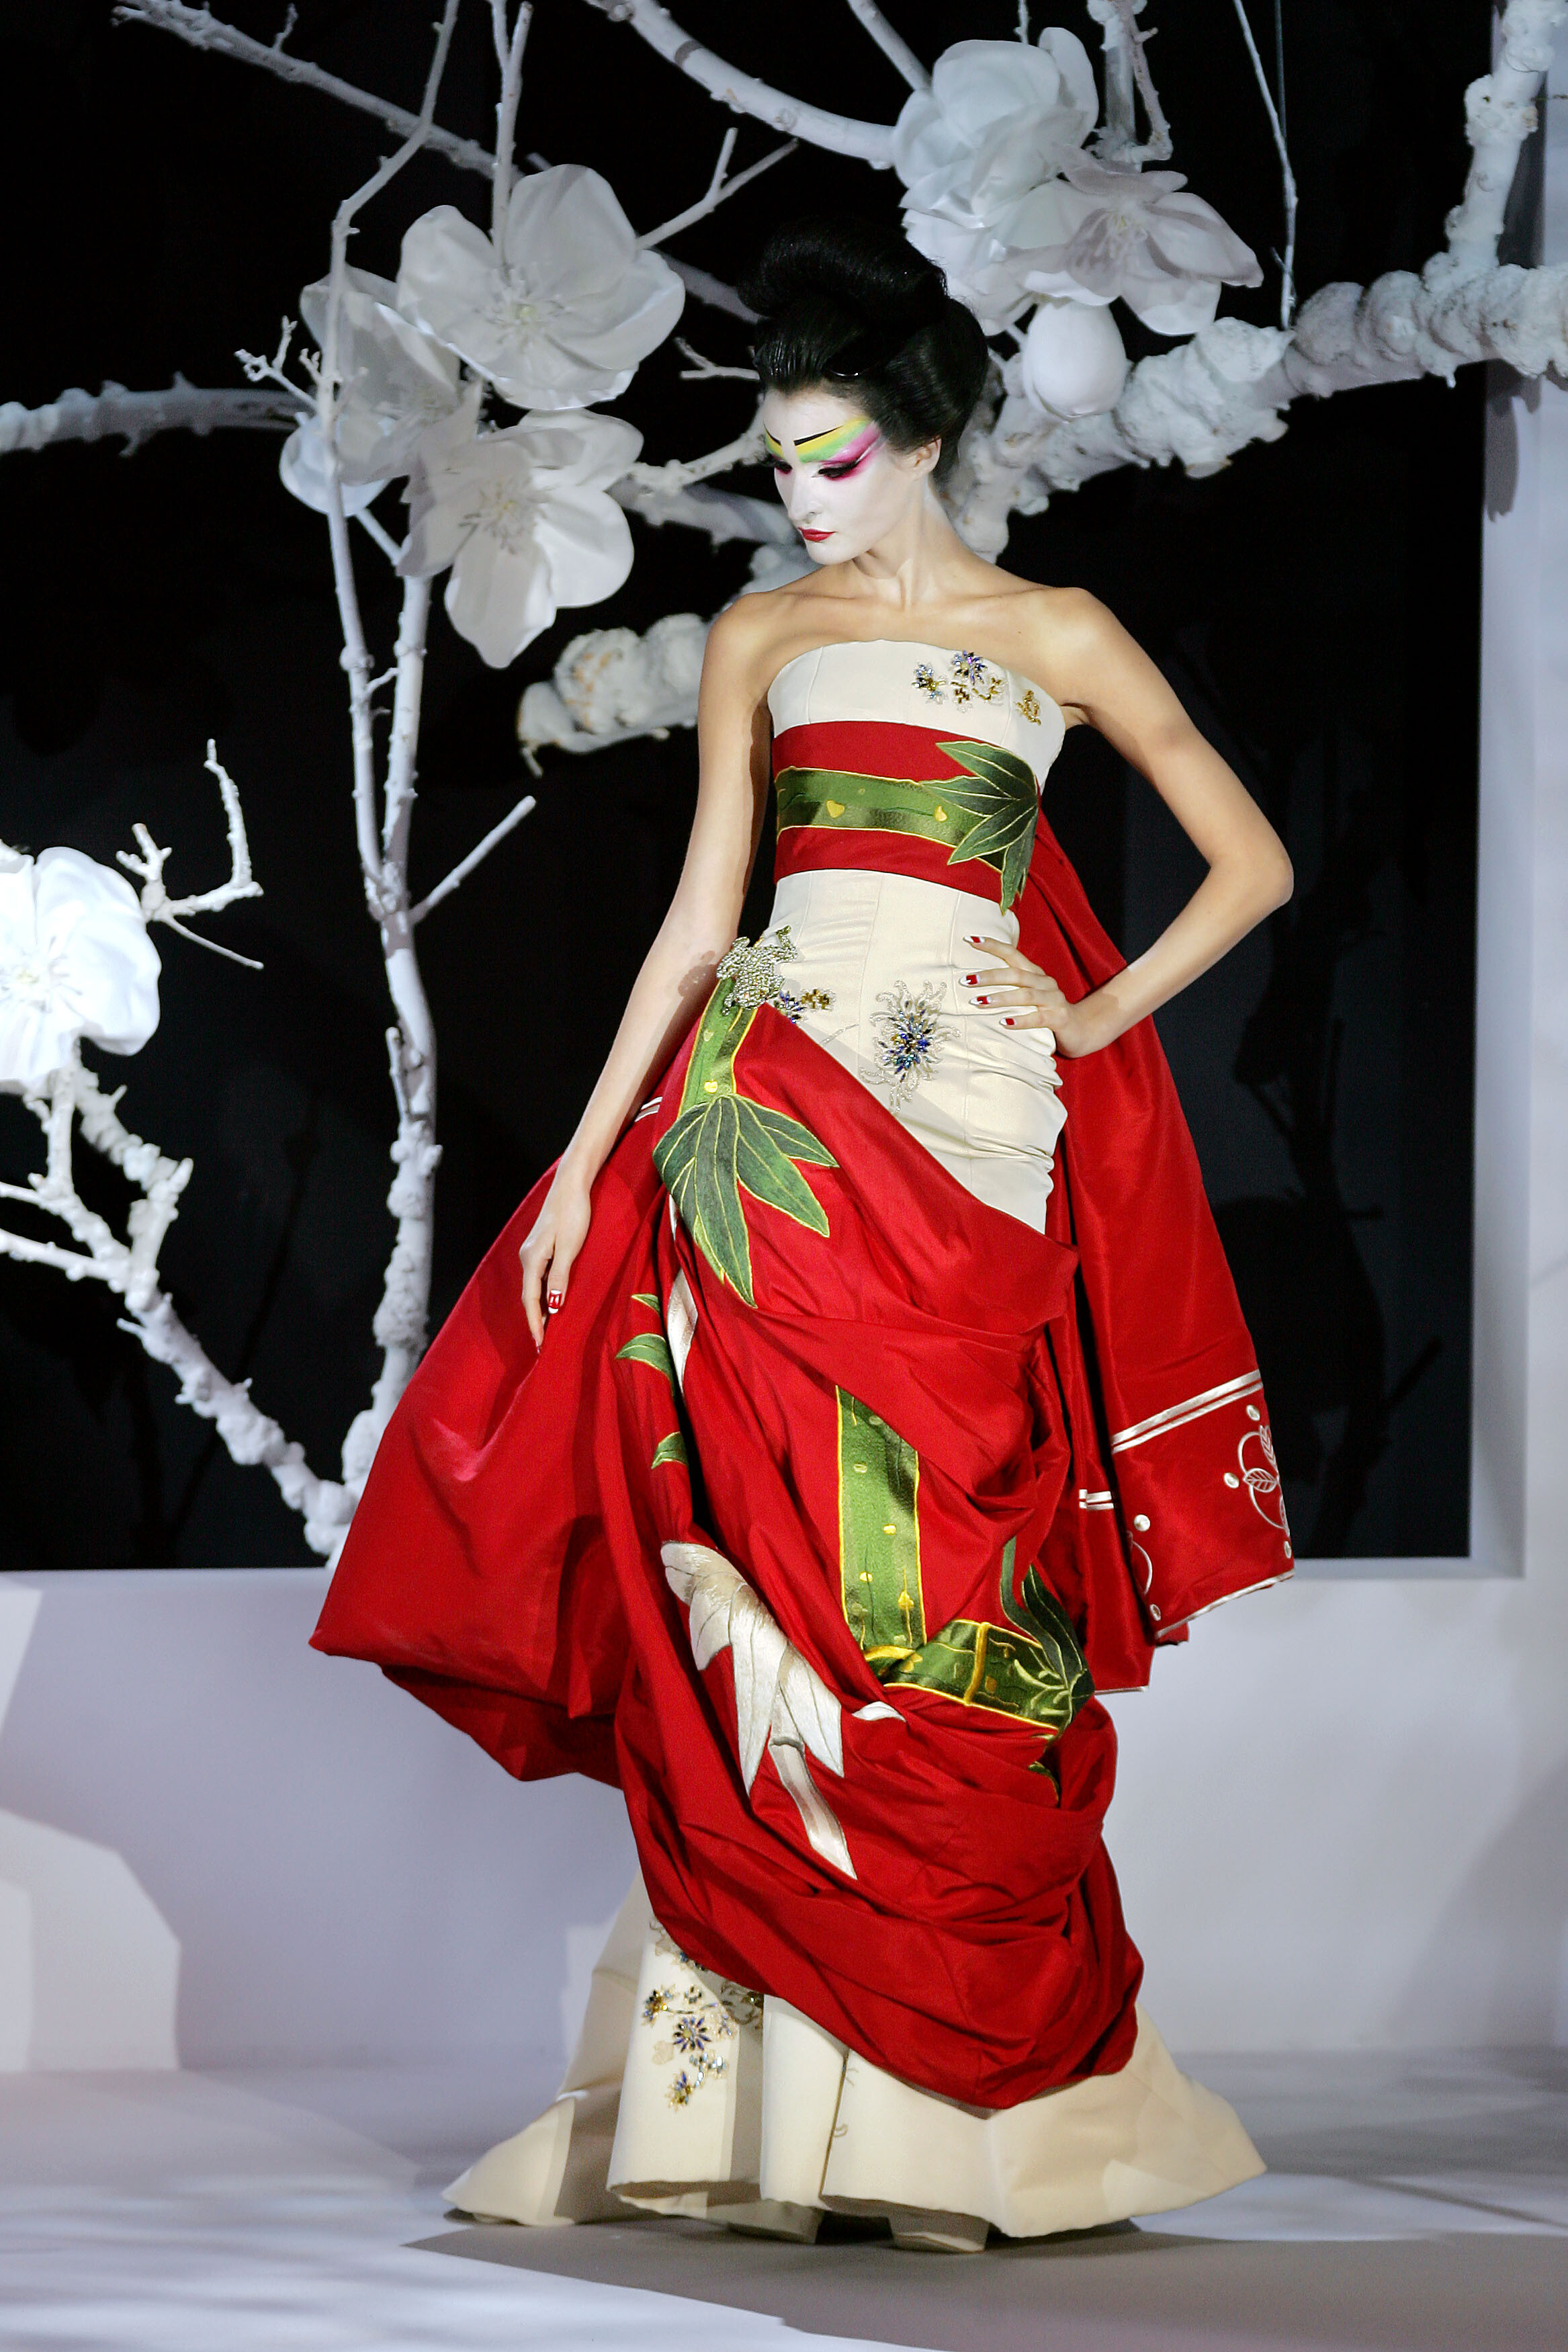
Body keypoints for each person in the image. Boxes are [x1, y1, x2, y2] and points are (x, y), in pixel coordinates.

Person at [313, 218, 1296, 2252]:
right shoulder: (763, 635)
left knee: (952, 1563)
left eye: (833, 452)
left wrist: (1094, 1013)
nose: (802, 489)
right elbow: (703, 917)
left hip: (976, 1139)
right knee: (767, 1576)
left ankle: (961, 2117)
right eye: (780, 459)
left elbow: (1252, 859)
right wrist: (585, 1160)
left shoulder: (1060, 630)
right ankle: (762, 2119)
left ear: (924, 437)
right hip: (765, 1139)